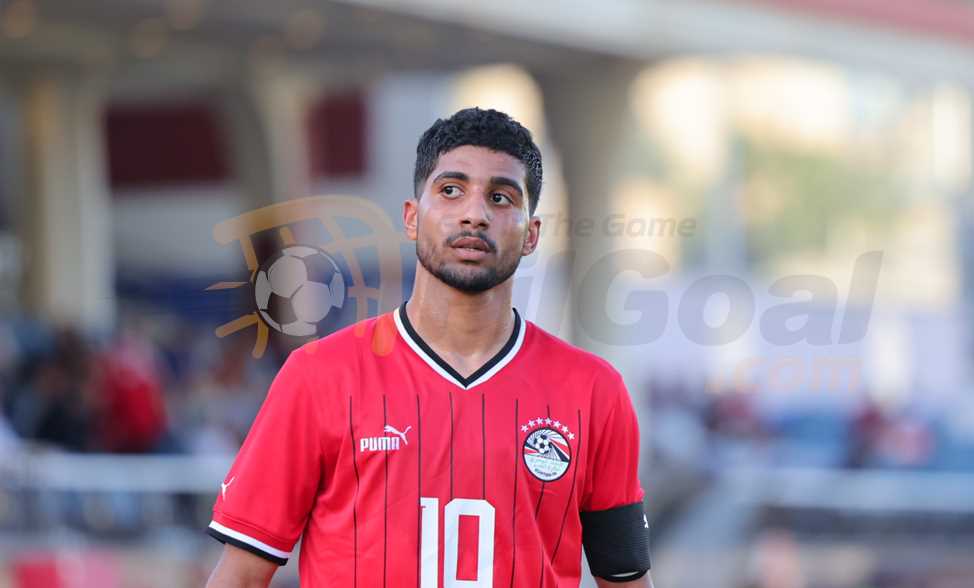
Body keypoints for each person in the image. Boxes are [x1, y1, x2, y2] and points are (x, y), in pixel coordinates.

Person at [206, 108, 653, 587]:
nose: (474, 214)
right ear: (412, 218)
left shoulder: (594, 391)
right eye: (451, 190)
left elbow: (625, 579)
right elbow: (240, 577)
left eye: (501, 197)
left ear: (531, 235)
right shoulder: (318, 376)